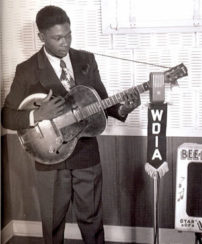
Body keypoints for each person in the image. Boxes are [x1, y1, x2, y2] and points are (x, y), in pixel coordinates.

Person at [1, 5, 140, 244]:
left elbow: (101, 101)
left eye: (68, 35)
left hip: (86, 155)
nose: (65, 42)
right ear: (41, 37)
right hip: (50, 158)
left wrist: (123, 108)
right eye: (57, 38)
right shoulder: (26, 70)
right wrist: (37, 116)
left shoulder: (86, 59)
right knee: (53, 225)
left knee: (92, 222)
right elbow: (6, 116)